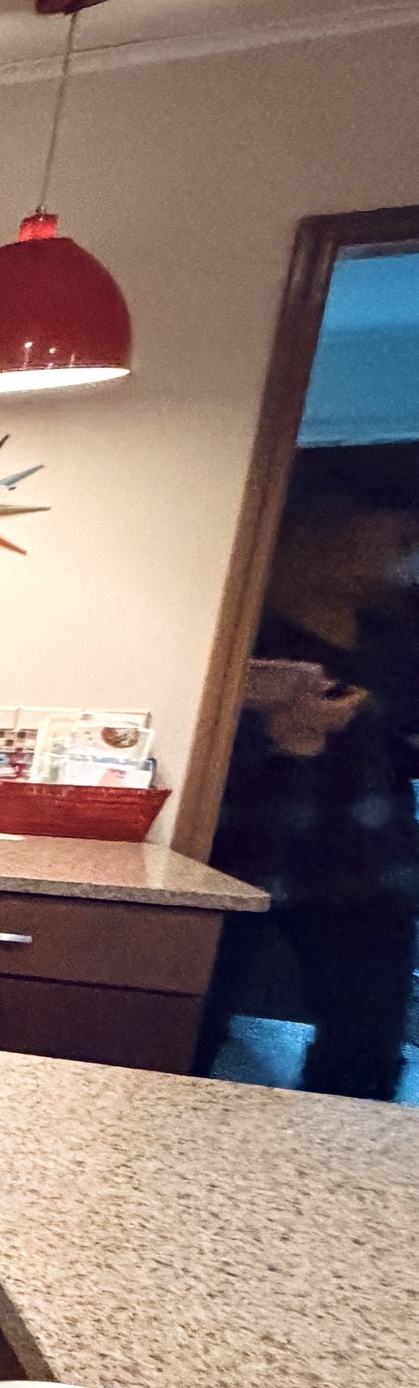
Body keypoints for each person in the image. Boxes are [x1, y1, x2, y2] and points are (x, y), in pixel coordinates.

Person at [195, 453, 419, 1100]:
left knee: (364, 1054)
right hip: (237, 861)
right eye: (395, 532)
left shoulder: (396, 636)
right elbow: (191, 756)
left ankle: (334, 1187)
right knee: (187, 1033)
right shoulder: (238, 627)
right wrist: (278, 734)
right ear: (327, 528)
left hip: (369, 875)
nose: (404, 549)